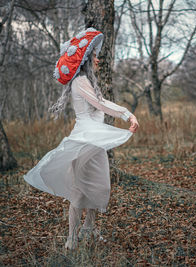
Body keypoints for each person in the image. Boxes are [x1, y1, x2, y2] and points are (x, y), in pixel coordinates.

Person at [23, 28, 139, 250]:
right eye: (94, 56)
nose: (98, 59)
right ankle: (71, 239)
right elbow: (101, 104)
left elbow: (101, 101)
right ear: (86, 61)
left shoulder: (87, 81)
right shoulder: (80, 82)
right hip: (85, 139)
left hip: (95, 141)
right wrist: (127, 114)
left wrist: (126, 114)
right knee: (79, 191)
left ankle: (89, 230)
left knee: (99, 187)